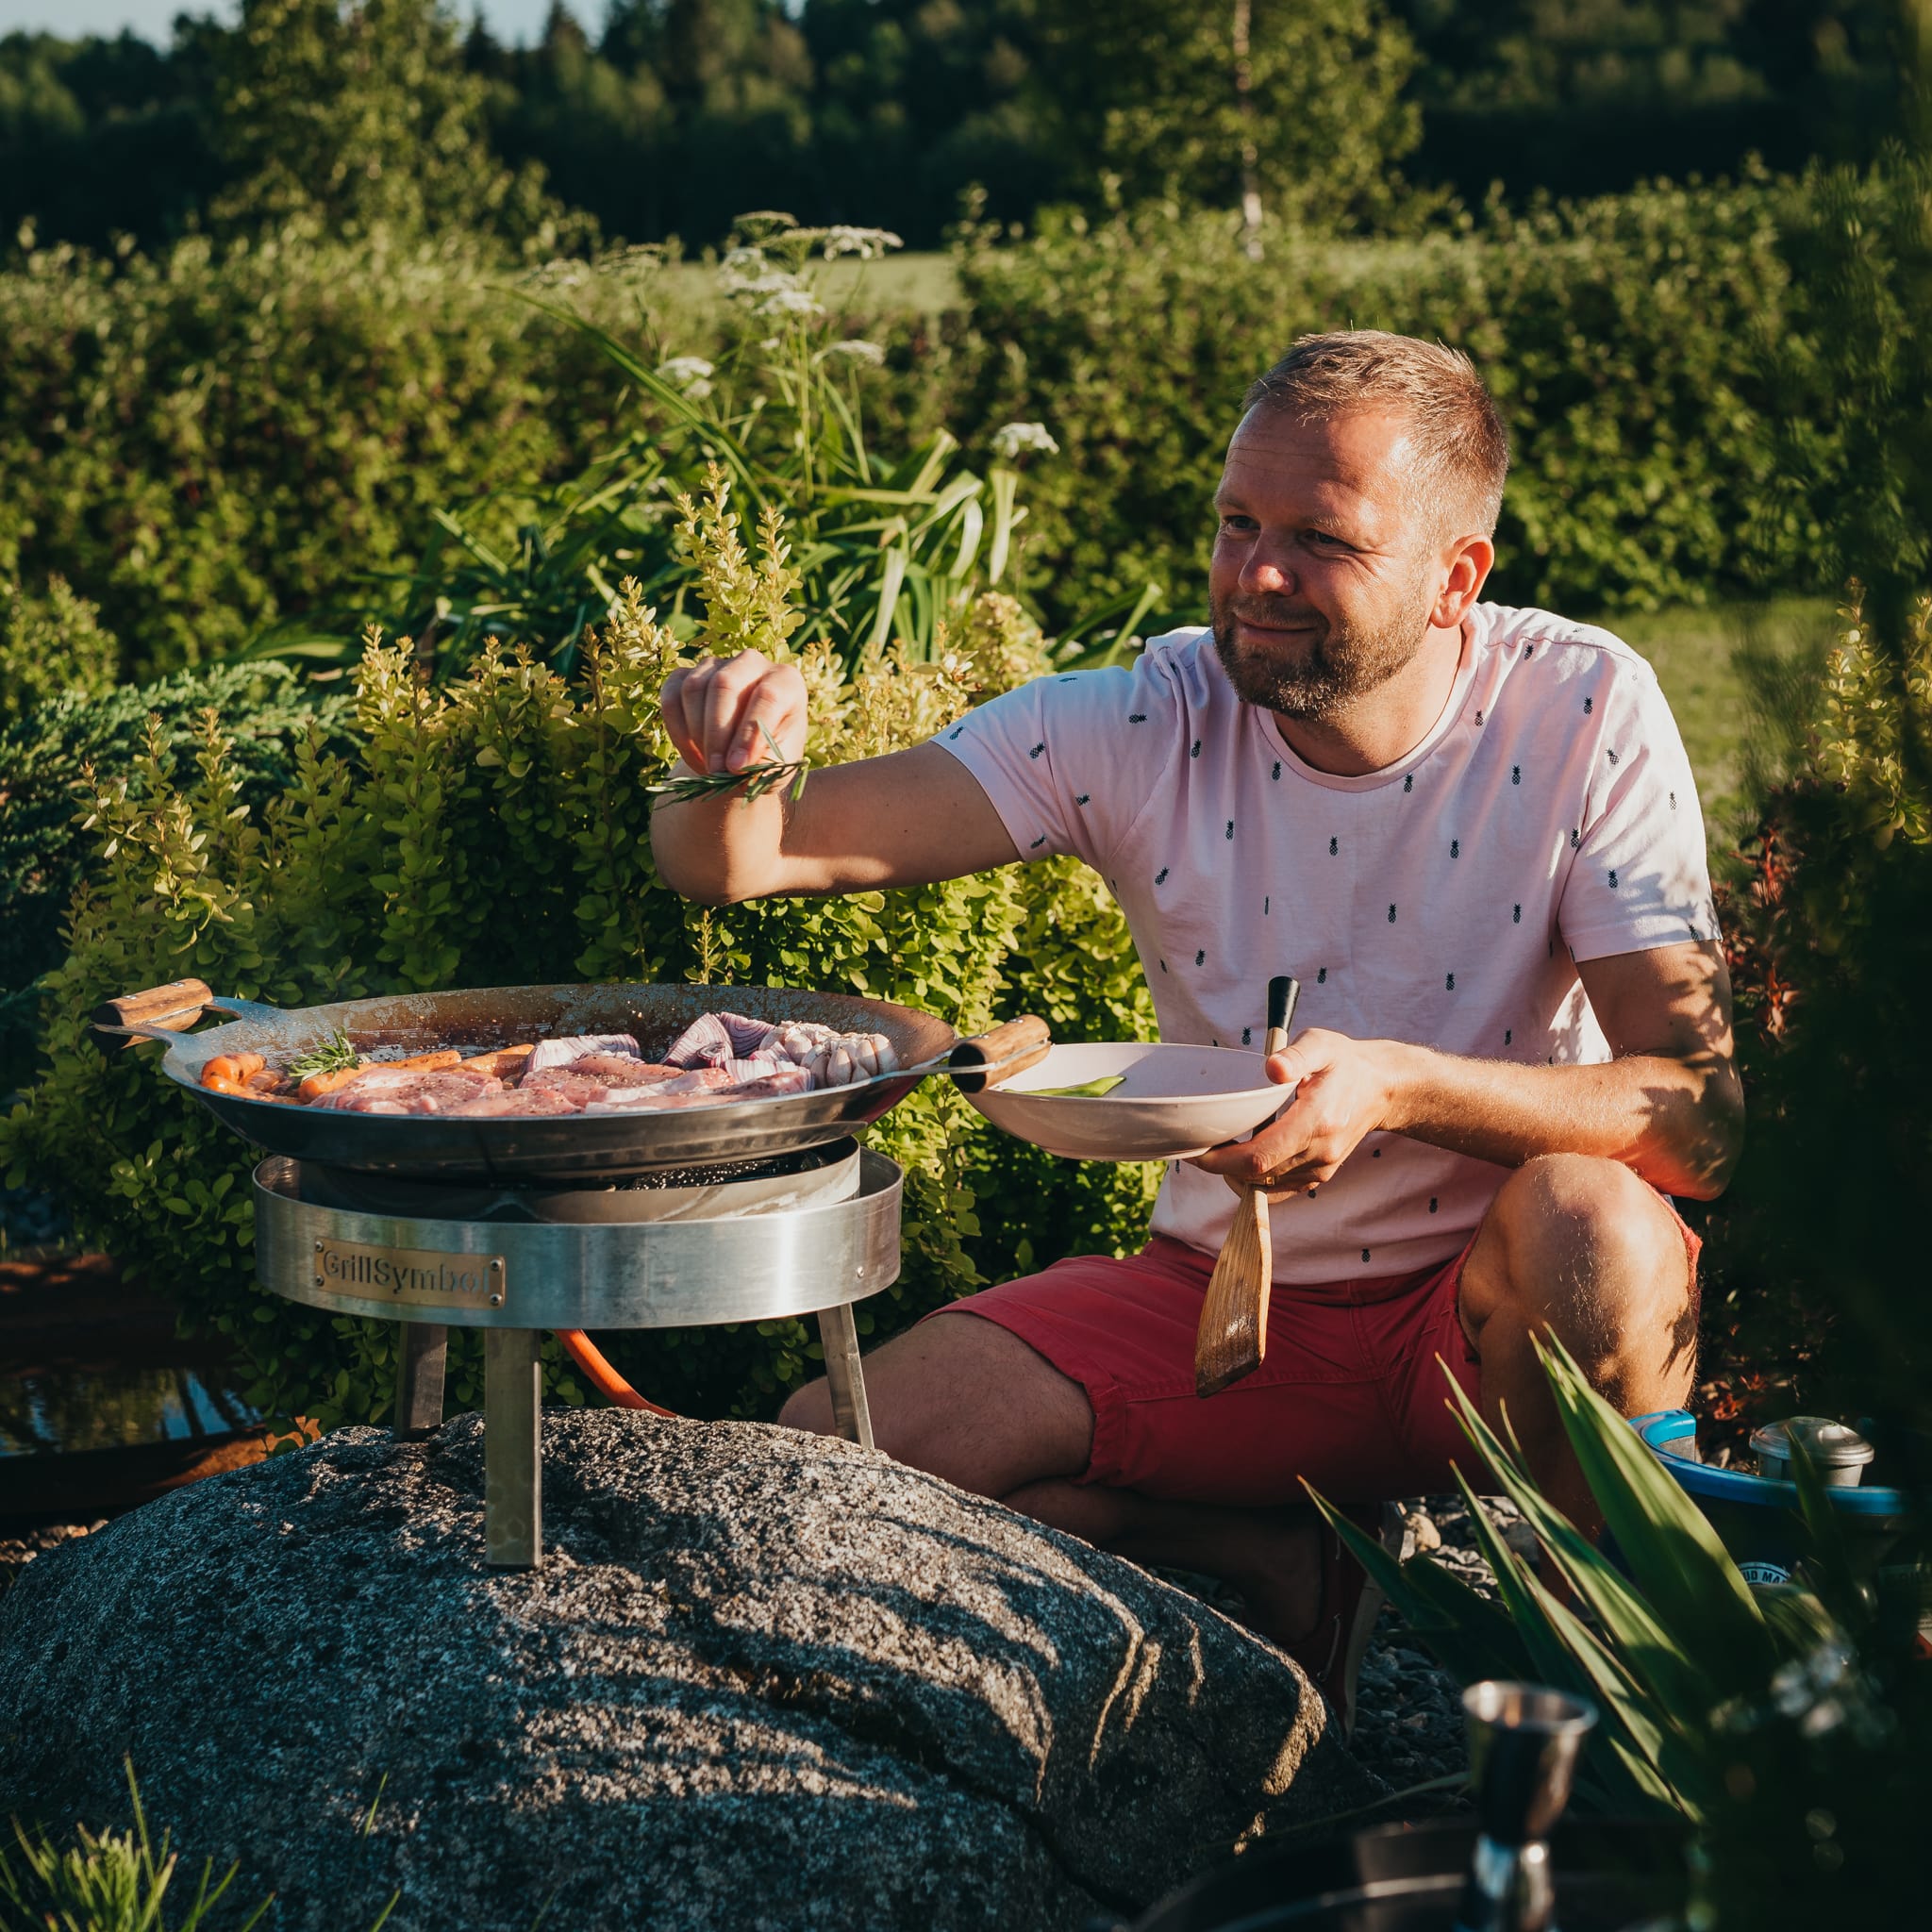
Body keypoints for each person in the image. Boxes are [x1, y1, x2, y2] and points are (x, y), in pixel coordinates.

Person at [651, 330, 1743, 1731]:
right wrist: (729, 755)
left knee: (1601, 1221)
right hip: (1229, 1299)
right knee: (834, 1456)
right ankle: (1280, 1561)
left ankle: (1617, 1701)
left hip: (1485, 1311)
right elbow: (739, 861)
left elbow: (1703, 1121)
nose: (1256, 572)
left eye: (1318, 537)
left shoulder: (1583, 707)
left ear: (1456, 581)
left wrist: (1400, 1086)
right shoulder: (1144, 718)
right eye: (1236, 521)